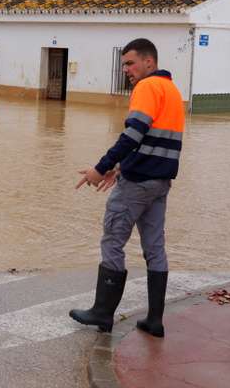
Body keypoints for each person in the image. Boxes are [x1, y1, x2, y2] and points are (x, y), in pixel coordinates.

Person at [69, 38, 184, 337]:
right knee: (155, 249)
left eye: (131, 63)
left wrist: (101, 167)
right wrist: (121, 167)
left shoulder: (146, 88)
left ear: (149, 62)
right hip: (160, 183)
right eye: (123, 65)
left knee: (112, 240)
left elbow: (133, 134)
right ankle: (155, 320)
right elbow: (155, 141)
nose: (127, 71)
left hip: (137, 184)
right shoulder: (172, 90)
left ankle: (102, 313)